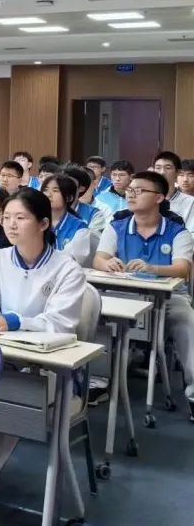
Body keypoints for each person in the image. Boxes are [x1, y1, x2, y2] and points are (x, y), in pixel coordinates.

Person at [93, 170, 194, 406]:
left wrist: (152, 268)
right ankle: (97, 382)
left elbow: (182, 269)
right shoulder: (116, 227)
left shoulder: (177, 232)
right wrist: (107, 264)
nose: (131, 194)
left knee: (188, 321)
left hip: (168, 299)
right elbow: (99, 259)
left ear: (159, 197)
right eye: (130, 190)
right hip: (124, 295)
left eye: (139, 191)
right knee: (93, 313)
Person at [0, 188, 86, 335]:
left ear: (43, 224)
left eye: (20, 218)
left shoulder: (68, 269)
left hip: (45, 347)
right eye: (6, 218)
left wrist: (16, 322)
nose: (11, 224)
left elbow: (60, 323)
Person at [41, 173, 91, 265]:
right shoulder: (35, 222)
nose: (48, 194)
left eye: (55, 190)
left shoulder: (79, 227)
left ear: (69, 198)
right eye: (45, 190)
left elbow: (72, 259)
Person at [153, 151, 194, 230]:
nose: (162, 172)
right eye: (158, 168)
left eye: (168, 168)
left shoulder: (191, 202)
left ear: (177, 173)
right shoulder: (146, 199)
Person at [93, 160, 134, 227]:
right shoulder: (100, 198)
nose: (117, 179)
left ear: (131, 177)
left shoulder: (138, 196)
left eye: (122, 175)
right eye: (114, 175)